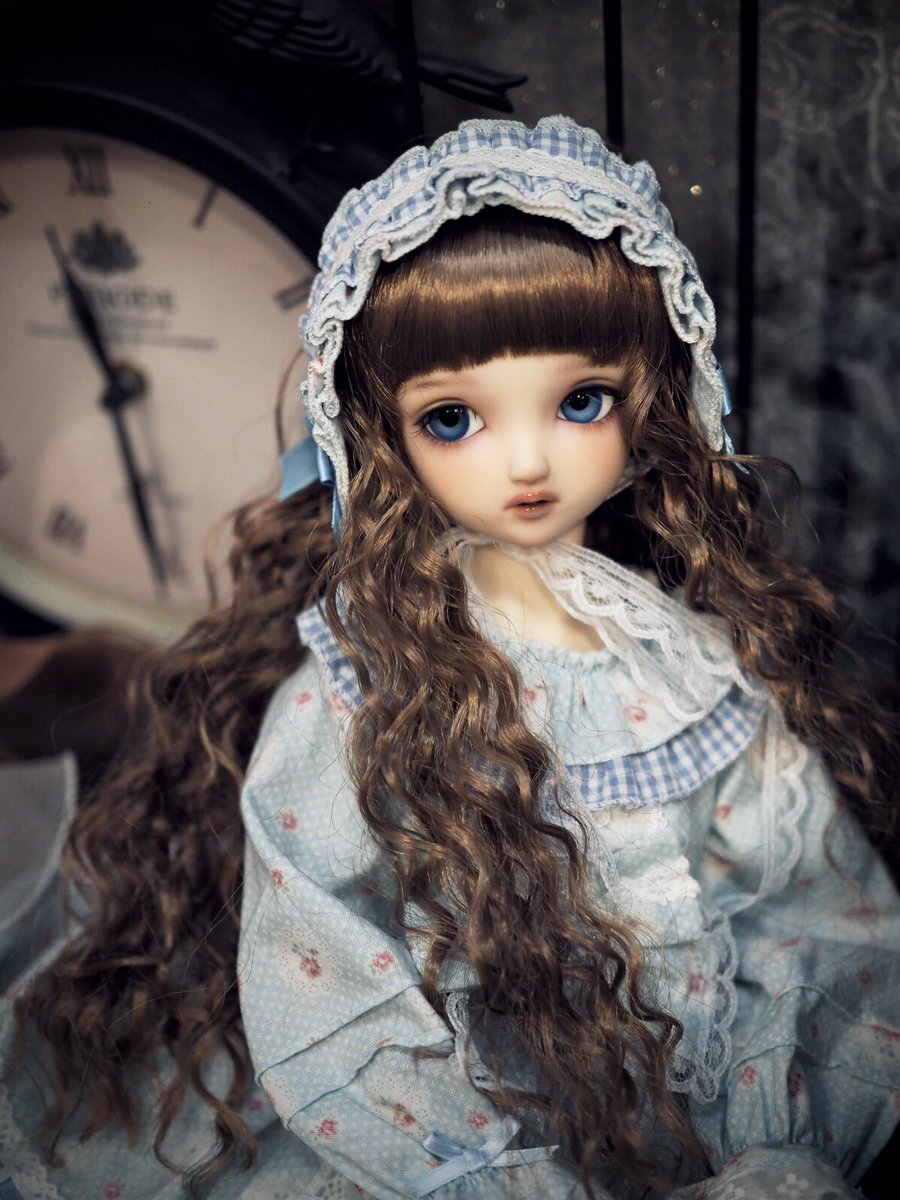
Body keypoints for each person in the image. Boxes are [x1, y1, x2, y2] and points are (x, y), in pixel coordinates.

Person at [1, 115, 899, 1200]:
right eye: (453, 419)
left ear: (657, 397)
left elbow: (800, 899)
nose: (526, 462)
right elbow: (326, 961)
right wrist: (478, 1177)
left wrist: (780, 1132)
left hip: (700, 1096)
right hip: (473, 1125)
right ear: (378, 437)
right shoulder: (360, 688)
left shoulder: (685, 664)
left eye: (580, 403)